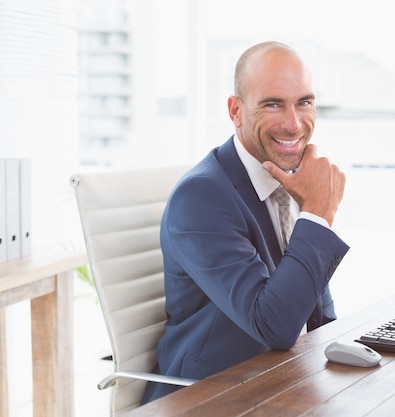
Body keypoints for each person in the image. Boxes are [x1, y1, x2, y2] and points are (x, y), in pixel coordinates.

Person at [141, 41, 350, 403]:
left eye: (304, 102)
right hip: (211, 397)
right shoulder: (203, 197)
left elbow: (317, 314)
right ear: (235, 111)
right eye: (273, 104)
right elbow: (274, 327)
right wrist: (318, 211)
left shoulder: (286, 180)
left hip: (287, 381)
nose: (294, 123)